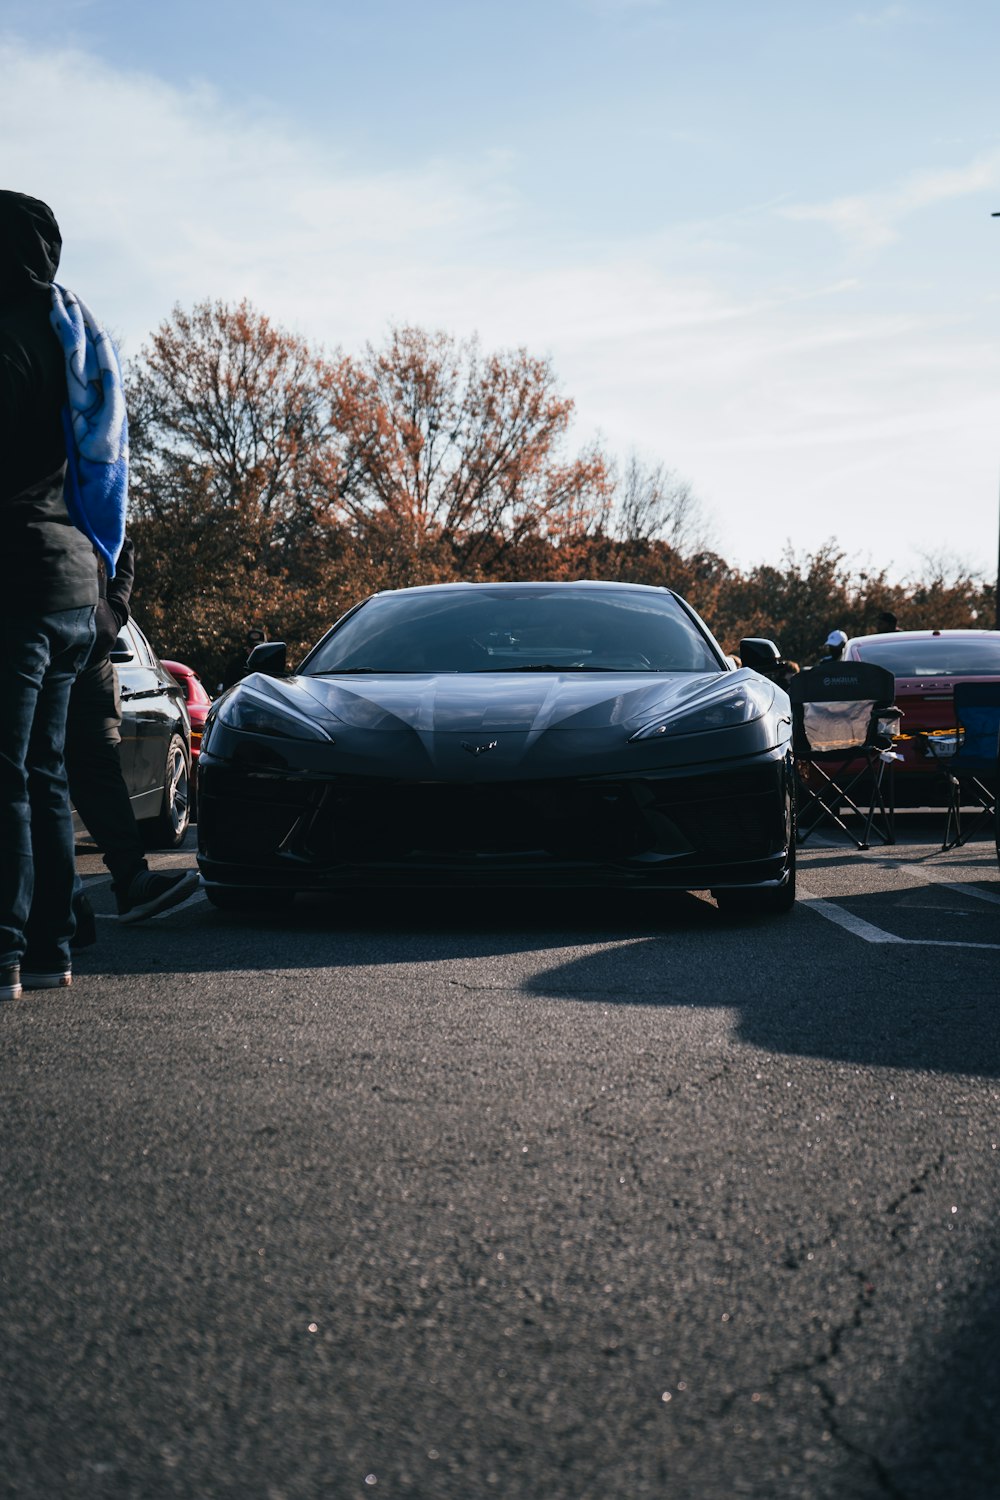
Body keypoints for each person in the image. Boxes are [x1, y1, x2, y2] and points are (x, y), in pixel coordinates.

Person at [1, 190, 124, 1000]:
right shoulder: (74, 333)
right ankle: (51, 951)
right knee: (42, 771)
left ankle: (6, 949)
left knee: (6, 773)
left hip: (14, 575)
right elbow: (99, 472)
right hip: (78, 577)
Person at [66, 535, 199, 945]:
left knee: (97, 769)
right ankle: (64, 904)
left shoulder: (93, 474)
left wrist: (112, 612)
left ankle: (130, 882)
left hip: (88, 652)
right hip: (30, 632)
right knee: (37, 774)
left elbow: (121, 536)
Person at [221, 625, 266, 691]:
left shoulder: (271, 666)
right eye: (251, 646)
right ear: (247, 647)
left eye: (258, 647)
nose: (254, 649)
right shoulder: (235, 666)